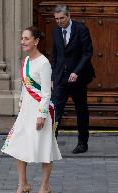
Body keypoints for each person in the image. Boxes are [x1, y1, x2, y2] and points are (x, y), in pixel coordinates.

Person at [1, 26, 62, 193]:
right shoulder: (27, 61)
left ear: (36, 41)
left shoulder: (44, 63)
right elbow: (25, 86)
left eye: (26, 38)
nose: (23, 41)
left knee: (44, 148)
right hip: (26, 110)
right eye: (22, 38)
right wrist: (20, 102)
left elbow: (46, 93)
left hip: (39, 111)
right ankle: (23, 185)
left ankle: (45, 187)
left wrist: (42, 115)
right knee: (17, 146)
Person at [52, 5, 95, 154]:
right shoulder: (56, 31)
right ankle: (51, 142)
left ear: (69, 15)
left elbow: (87, 52)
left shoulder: (81, 29)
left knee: (81, 110)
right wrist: (53, 77)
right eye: (56, 19)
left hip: (78, 78)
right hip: (60, 79)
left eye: (62, 18)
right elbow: (56, 56)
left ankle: (83, 143)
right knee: (55, 111)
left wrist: (76, 72)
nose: (59, 22)